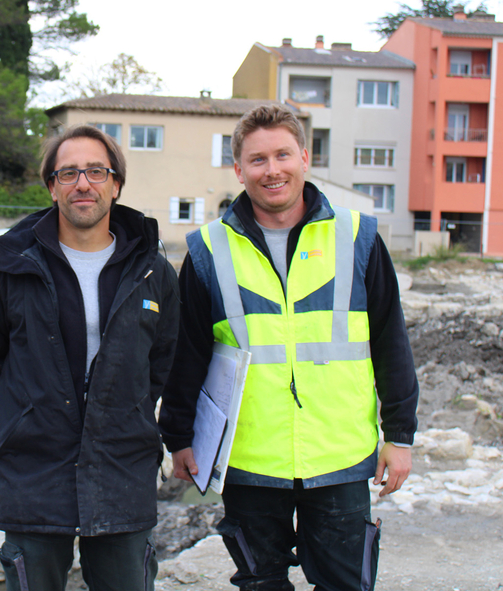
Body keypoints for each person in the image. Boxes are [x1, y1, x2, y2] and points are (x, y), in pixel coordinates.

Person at [159, 103, 418, 591]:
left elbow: (391, 343)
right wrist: (179, 437)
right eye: (257, 160)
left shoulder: (358, 237)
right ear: (239, 169)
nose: (272, 170)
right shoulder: (207, 250)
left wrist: (400, 436)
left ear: (304, 157)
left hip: (339, 459)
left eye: (282, 155)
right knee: (261, 585)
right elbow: (187, 354)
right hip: (250, 461)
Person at [0, 124, 180, 590]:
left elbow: (160, 363)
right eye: (68, 173)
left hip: (123, 465)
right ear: (51, 186)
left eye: (96, 171)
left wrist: (124, 413)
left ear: (116, 184)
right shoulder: (6, 265)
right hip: (34, 467)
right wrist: (24, 414)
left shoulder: (153, 272)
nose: (83, 183)